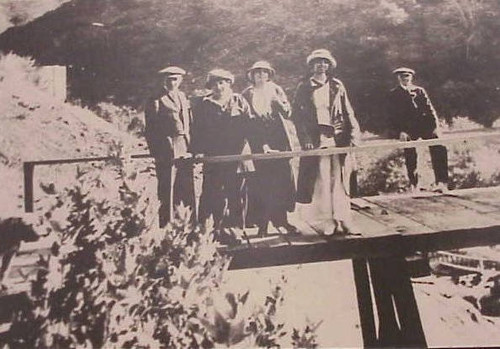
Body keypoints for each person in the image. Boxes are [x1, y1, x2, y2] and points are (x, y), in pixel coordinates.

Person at [292, 49, 360, 236]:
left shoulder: (337, 85)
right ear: (312, 66)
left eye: (324, 62)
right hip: (317, 139)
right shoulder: (304, 87)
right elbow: (298, 117)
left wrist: (354, 135)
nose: (321, 65)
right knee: (321, 179)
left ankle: (344, 219)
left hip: (338, 138)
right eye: (317, 62)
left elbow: (348, 112)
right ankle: (325, 222)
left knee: (339, 179)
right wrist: (305, 140)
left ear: (329, 65)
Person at [191, 69, 255, 238]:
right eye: (215, 84)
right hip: (214, 157)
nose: (219, 87)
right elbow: (197, 130)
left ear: (228, 84)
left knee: (237, 194)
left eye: (222, 83)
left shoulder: (239, 101)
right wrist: (197, 151)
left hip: (237, 156)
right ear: (210, 87)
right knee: (212, 192)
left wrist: (258, 147)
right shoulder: (204, 105)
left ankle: (236, 230)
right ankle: (209, 230)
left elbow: (251, 126)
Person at [242, 61, 298, 237]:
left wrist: (279, 103)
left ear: (269, 74)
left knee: (282, 182)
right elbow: (249, 124)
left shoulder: (276, 89)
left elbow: (289, 113)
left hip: (280, 141)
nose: (260, 75)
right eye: (257, 72)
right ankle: (262, 224)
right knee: (262, 184)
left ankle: (282, 221)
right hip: (259, 143)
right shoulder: (247, 94)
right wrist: (262, 145)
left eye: (264, 72)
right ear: (252, 75)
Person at [144, 66, 195, 227]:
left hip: (184, 148)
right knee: (168, 188)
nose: (173, 82)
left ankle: (187, 223)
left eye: (176, 79)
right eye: (169, 79)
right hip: (167, 149)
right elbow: (150, 129)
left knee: (186, 186)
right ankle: (166, 225)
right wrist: (157, 152)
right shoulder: (156, 99)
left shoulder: (182, 96)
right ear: (164, 81)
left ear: (180, 80)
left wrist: (192, 147)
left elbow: (189, 122)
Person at [387, 67, 449, 192]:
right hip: (408, 128)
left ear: (411, 77)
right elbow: (393, 116)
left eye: (407, 76)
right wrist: (401, 131)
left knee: (439, 147)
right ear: (398, 78)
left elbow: (430, 110)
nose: (405, 79)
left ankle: (441, 183)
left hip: (424, 126)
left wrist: (435, 127)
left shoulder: (419, 91)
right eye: (402, 76)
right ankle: (414, 185)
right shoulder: (393, 94)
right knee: (410, 154)